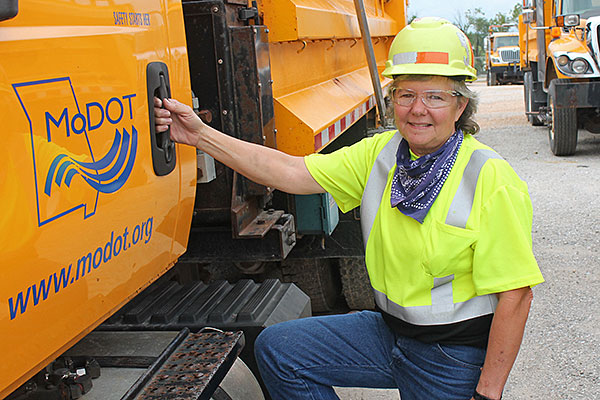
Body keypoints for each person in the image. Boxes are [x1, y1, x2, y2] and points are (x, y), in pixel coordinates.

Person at [154, 17, 544, 400]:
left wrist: (487, 392)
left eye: (435, 96)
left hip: (450, 355)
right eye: (406, 94)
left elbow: (516, 295)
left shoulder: (490, 177)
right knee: (280, 349)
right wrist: (200, 135)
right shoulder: (381, 154)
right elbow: (289, 171)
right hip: (389, 334)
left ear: (460, 106)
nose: (418, 109)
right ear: (392, 100)